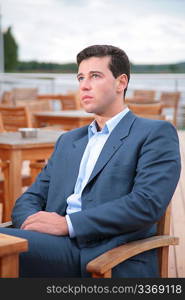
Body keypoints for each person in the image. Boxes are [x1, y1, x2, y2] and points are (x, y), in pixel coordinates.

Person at [0, 45, 181, 277]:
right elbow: (31, 197)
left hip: (104, 255)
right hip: (49, 244)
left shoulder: (154, 133)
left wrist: (68, 224)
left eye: (95, 76)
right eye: (80, 77)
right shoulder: (68, 140)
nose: (84, 85)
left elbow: (146, 204)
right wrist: (32, 222)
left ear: (121, 82)